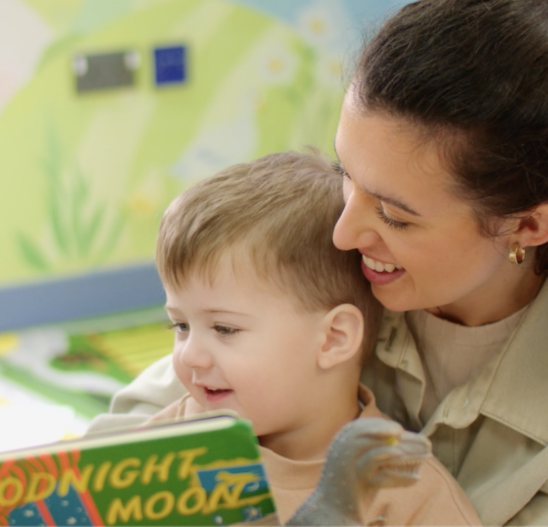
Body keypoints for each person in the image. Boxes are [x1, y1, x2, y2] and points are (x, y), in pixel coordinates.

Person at [89, 0, 548, 524]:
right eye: (345, 174)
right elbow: (126, 438)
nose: (343, 233)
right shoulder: (318, 258)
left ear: (528, 226)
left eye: (395, 215)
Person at [132, 151, 480, 524]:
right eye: (181, 326)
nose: (190, 356)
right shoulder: (170, 440)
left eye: (224, 329)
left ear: (333, 338)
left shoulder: (402, 489)